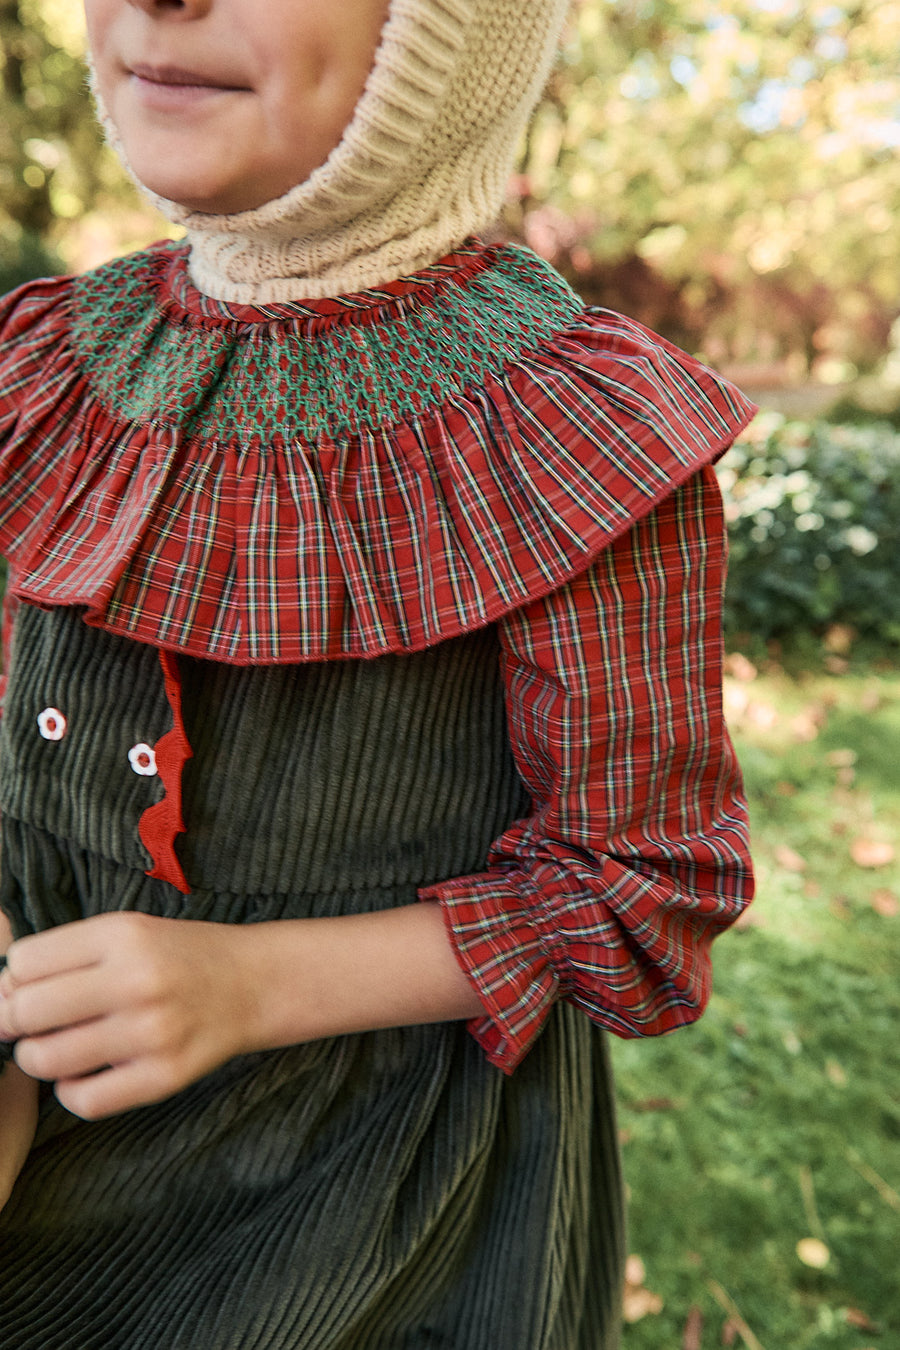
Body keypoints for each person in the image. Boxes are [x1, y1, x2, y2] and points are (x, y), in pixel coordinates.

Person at [0, 1, 755, 1346]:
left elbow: (643, 897)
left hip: (371, 1222)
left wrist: (249, 986)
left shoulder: (565, 425)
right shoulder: (42, 366)